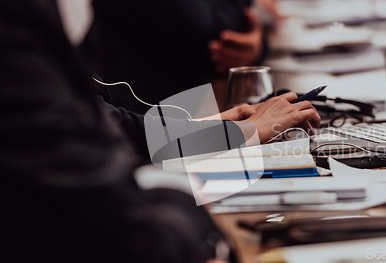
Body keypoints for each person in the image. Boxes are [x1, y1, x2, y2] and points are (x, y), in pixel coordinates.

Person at [0, 0, 320, 262]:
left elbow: (103, 119)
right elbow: (214, 30)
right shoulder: (17, 25)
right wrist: (238, 132)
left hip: (170, 116)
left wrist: (229, 127)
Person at [93, 0, 267, 113]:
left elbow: (241, 28)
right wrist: (253, 10)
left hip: (178, 116)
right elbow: (208, 32)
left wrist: (257, 46)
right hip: (130, 121)